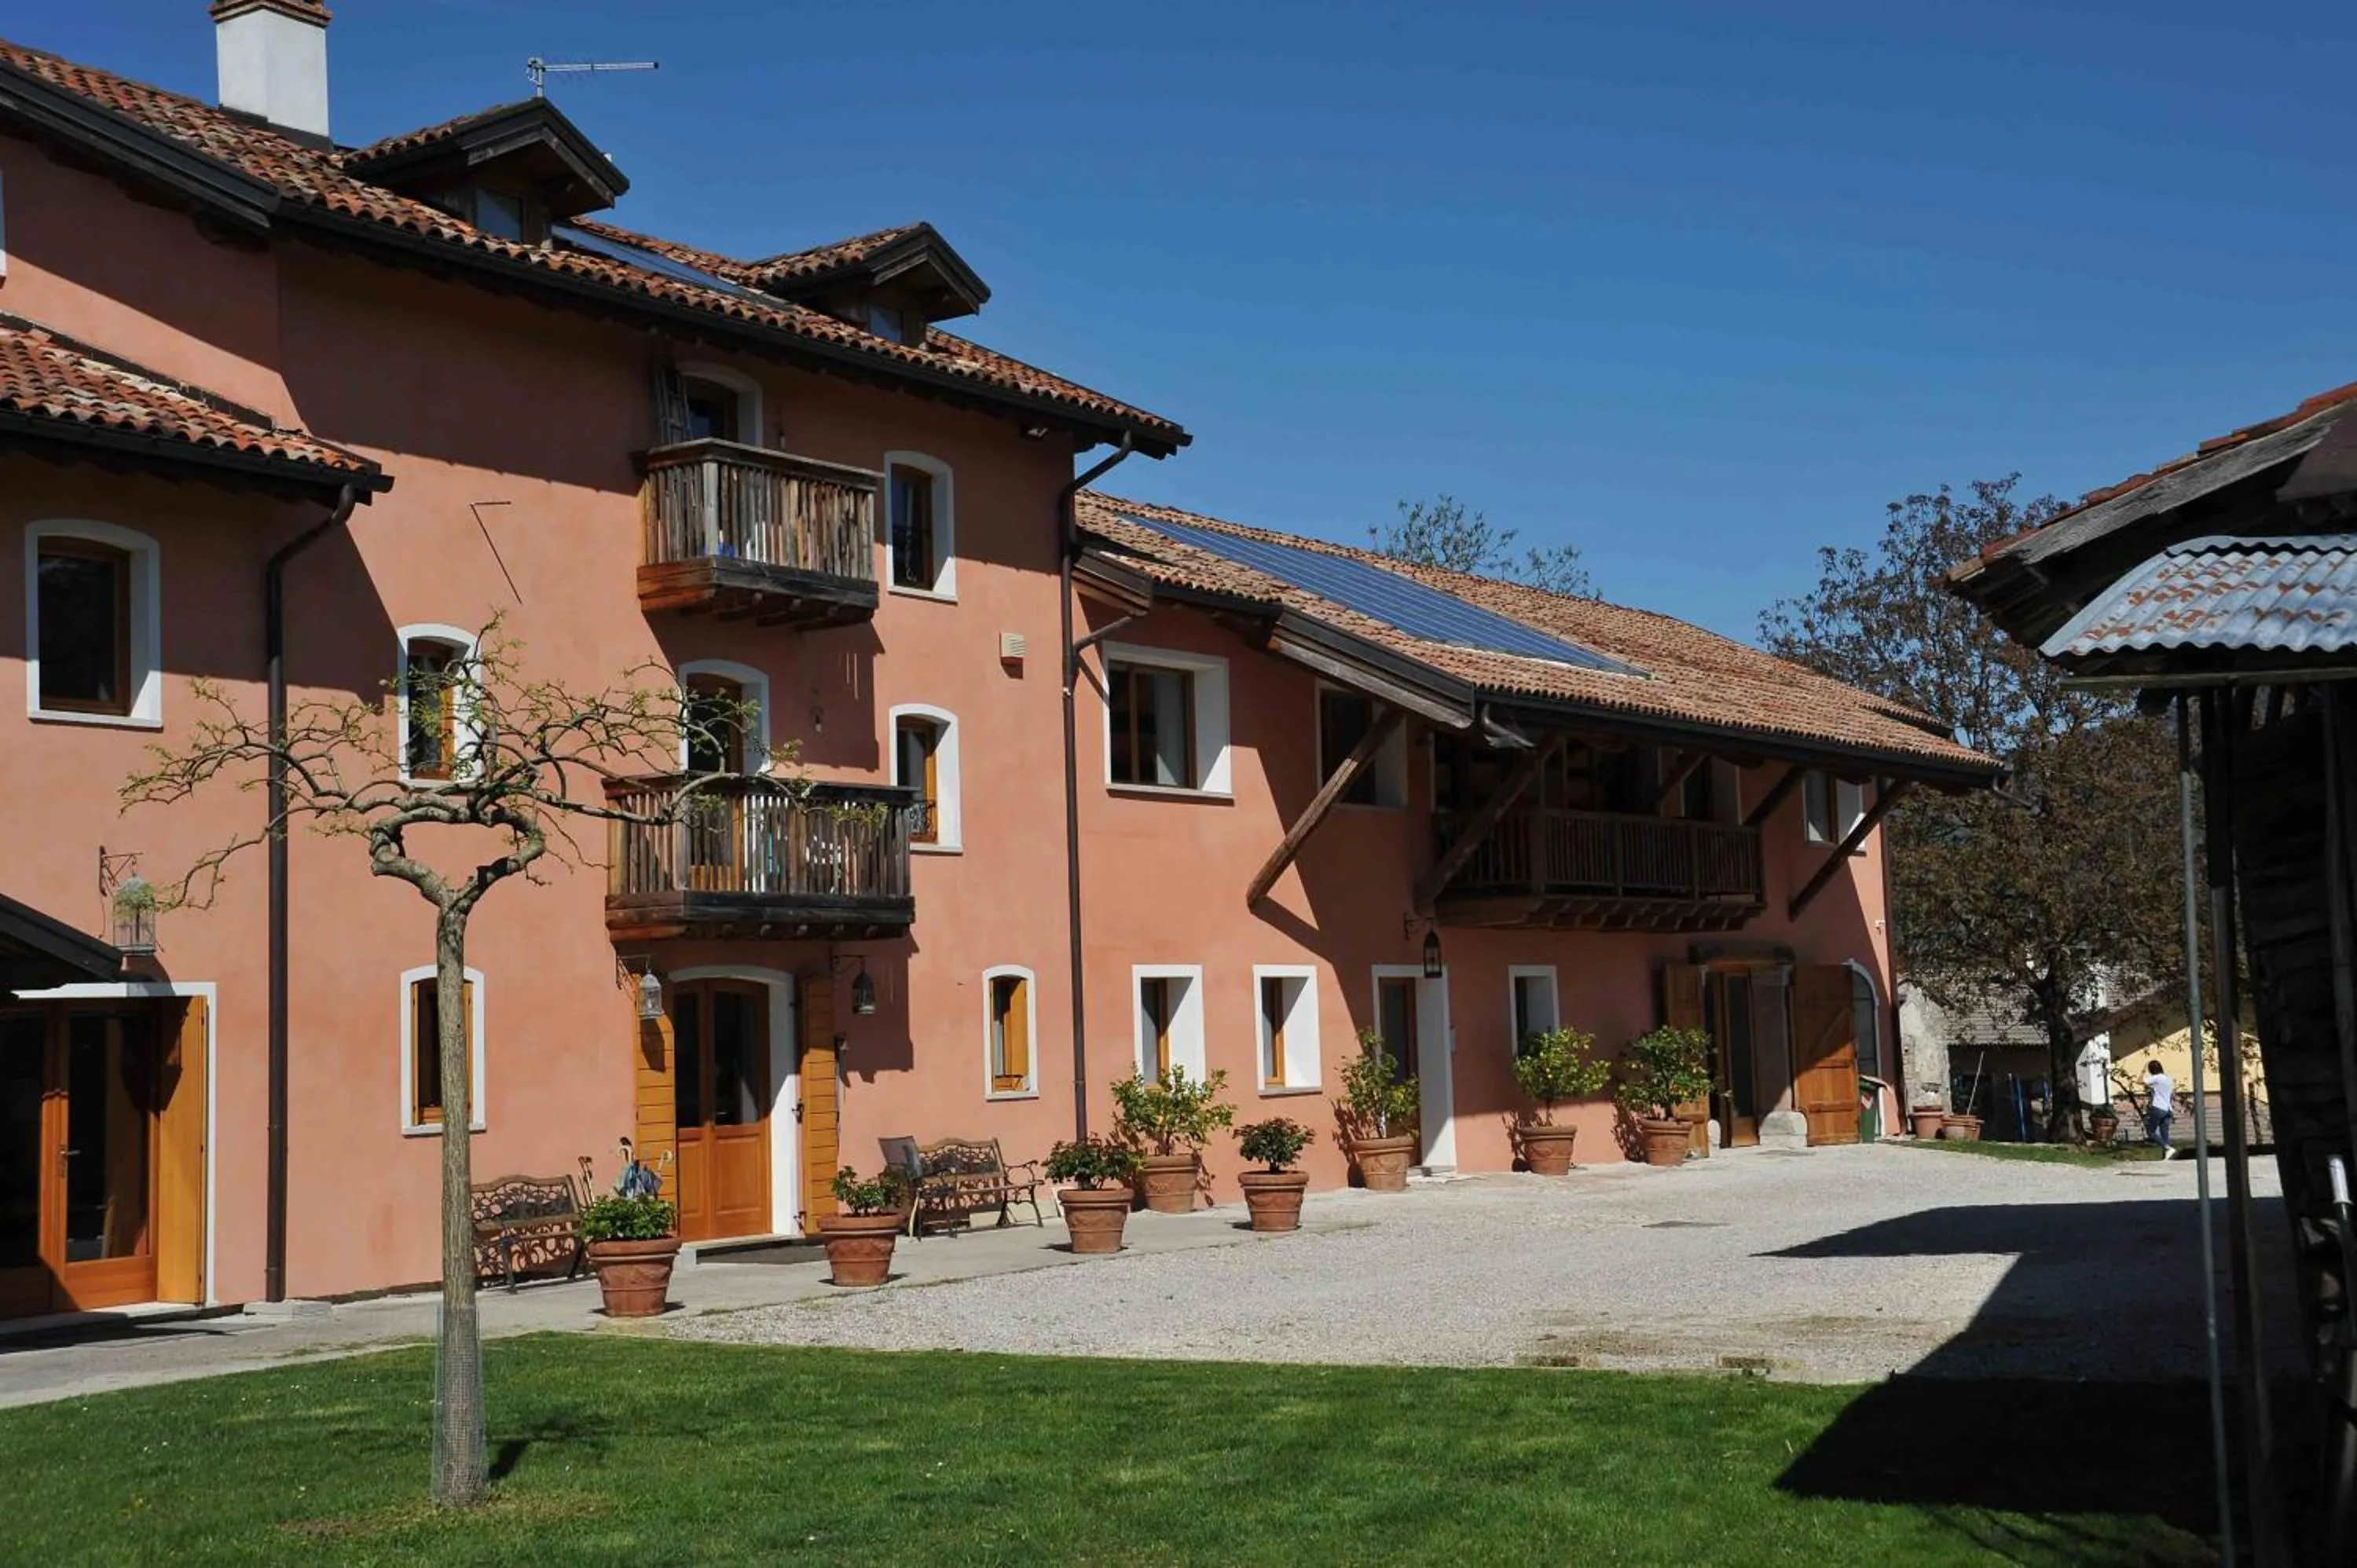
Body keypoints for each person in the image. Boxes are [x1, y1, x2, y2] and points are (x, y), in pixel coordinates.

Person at [2144, 1060, 2176, 1160]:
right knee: (2164, 1132)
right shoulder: (2168, 1078)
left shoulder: (2156, 1078)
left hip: (2158, 1107)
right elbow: (2172, 1094)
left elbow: (2140, 1081)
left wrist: (2142, 1071)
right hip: (2168, 1109)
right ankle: (2167, 1155)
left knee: (2151, 1132)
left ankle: (2168, 1148)